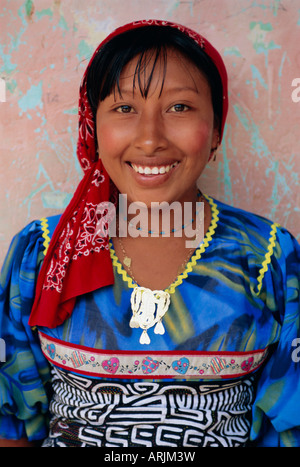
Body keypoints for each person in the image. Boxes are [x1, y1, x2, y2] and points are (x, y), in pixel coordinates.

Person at [0, 19, 299, 448]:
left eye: (179, 108)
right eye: (124, 109)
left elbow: (290, 423)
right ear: (93, 127)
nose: (150, 138)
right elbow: (10, 417)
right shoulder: (43, 253)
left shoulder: (268, 257)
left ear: (216, 131)